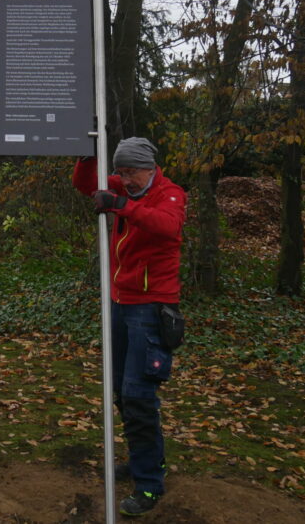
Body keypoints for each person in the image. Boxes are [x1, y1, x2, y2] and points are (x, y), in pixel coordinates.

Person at [72, 137, 186, 517]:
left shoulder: (170, 194)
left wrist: (122, 205)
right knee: (122, 390)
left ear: (149, 167)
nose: (125, 179)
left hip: (151, 308)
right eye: (121, 172)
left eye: (130, 172)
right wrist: (87, 154)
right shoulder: (126, 185)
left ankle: (150, 483)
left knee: (139, 396)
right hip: (120, 303)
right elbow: (87, 185)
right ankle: (142, 462)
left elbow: (167, 227)